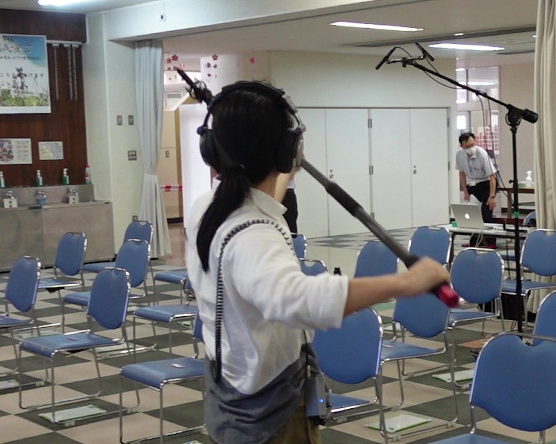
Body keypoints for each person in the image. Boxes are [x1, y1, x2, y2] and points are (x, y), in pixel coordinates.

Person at [185, 81, 450, 444]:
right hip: (269, 415)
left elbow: (263, 200)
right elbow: (299, 300)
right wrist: (407, 283)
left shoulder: (208, 208)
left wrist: (283, 171)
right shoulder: (253, 234)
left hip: (233, 388)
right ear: (286, 150)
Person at [455, 132, 497, 247]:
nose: (471, 148)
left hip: (486, 183)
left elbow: (493, 176)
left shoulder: (482, 154)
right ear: (462, 146)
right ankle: (474, 242)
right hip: (473, 184)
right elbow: (462, 174)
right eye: (467, 146)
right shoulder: (459, 155)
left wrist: (492, 196)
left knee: (486, 213)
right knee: (471, 213)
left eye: (473, 145)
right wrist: (465, 191)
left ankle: (491, 242)